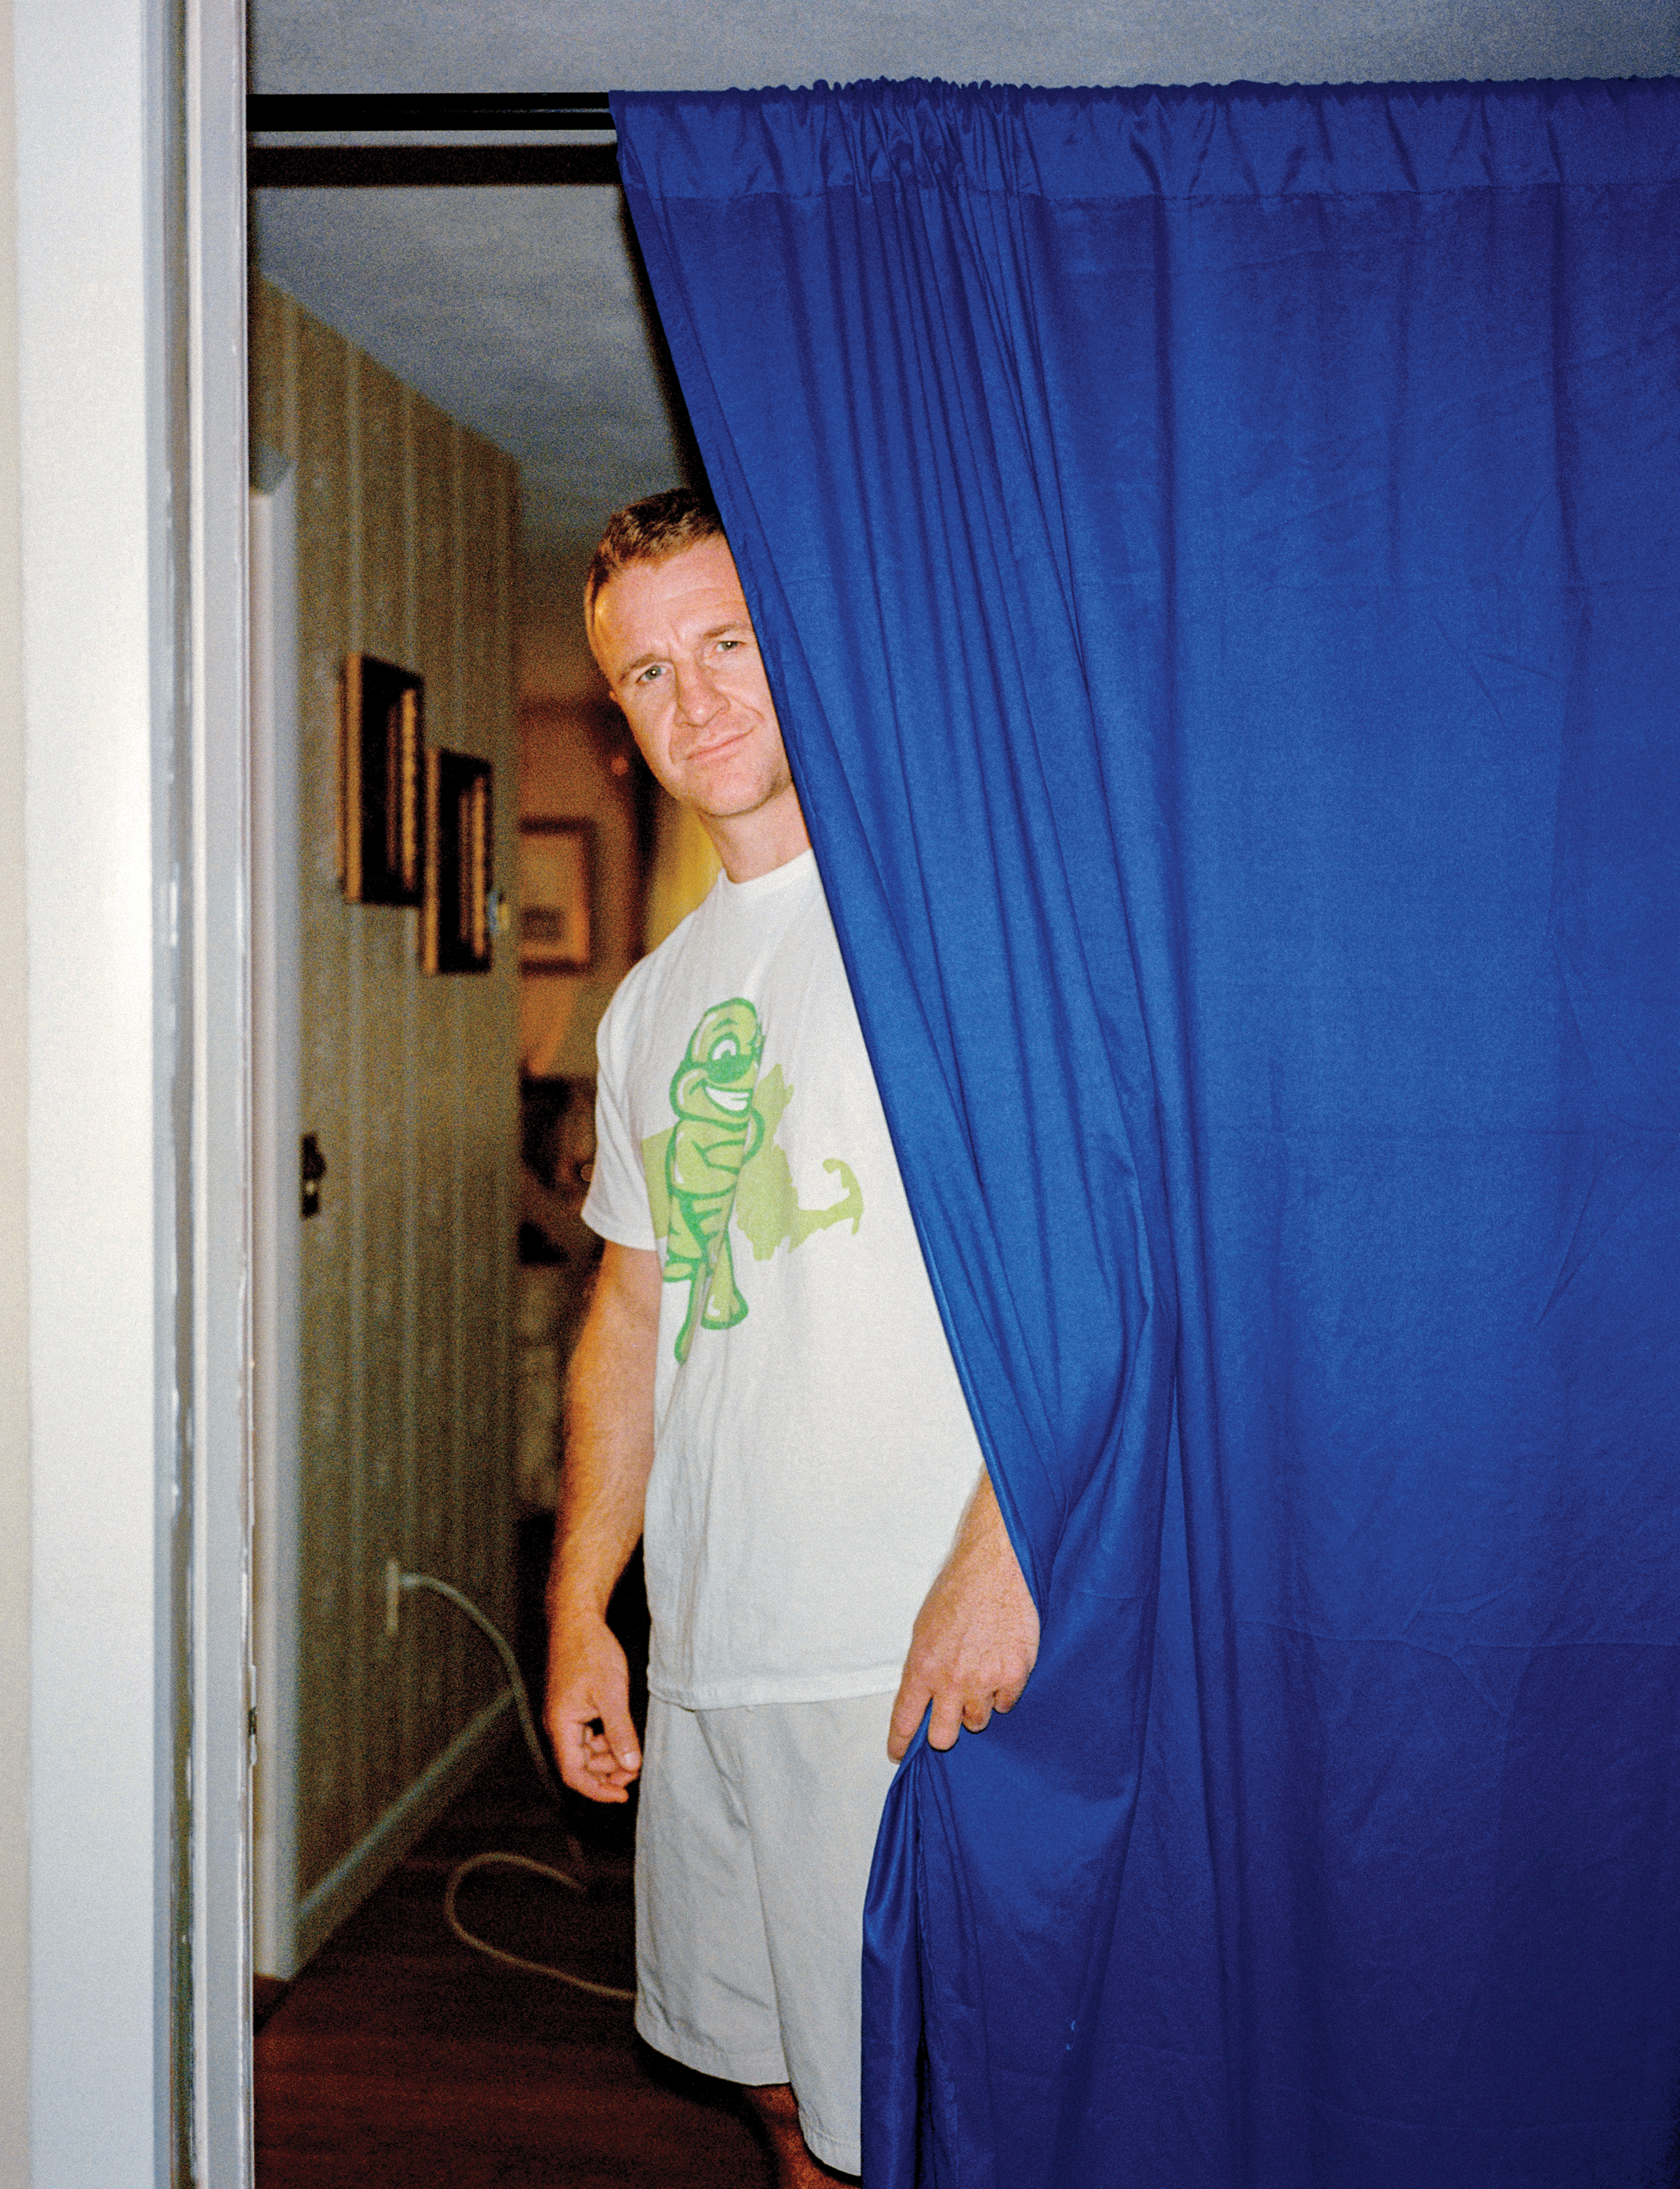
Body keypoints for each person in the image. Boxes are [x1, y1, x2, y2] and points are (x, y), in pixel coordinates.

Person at [544, 488, 1039, 2186]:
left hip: (899, 1669)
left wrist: (1010, 1547)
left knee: (923, 2113)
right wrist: (581, 1610)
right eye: (646, 675)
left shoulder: (962, 938)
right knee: (783, 2108)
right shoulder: (650, 1004)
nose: (697, 705)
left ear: (804, 636)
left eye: (728, 645)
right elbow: (631, 1312)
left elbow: (1100, 1269)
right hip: (713, 1659)